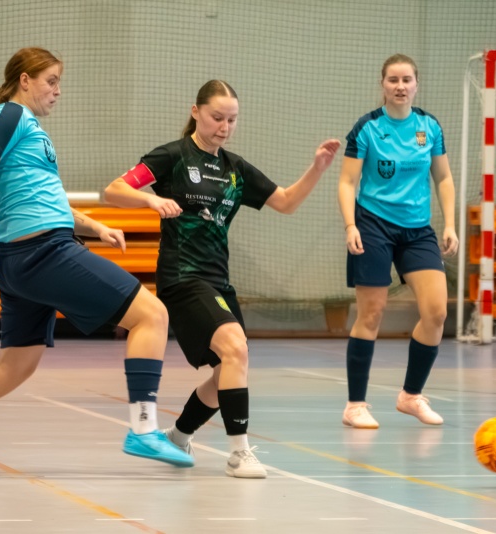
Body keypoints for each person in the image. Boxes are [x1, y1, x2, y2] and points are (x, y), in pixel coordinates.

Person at [0, 47, 193, 473]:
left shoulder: (27, 128)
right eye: (51, 80)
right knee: (152, 315)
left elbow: (42, 201)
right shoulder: (9, 115)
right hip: (42, 253)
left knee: (15, 364)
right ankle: (144, 430)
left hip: (24, 257)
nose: (57, 90)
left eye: (58, 82)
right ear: (25, 80)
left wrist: (96, 227)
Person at [104, 80, 340, 478]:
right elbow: (114, 190)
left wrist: (316, 168)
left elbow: (285, 202)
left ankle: (179, 436)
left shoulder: (235, 169)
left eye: (231, 119)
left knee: (229, 367)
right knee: (235, 349)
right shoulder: (173, 156)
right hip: (183, 276)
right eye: (217, 117)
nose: (224, 126)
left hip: (219, 280)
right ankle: (239, 453)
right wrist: (151, 198)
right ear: (195, 111)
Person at [337, 54, 458, 429]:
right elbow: (346, 182)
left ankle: (411, 396)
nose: (400, 86)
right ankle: (355, 405)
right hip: (372, 224)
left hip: (417, 229)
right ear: (382, 84)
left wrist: (449, 224)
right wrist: (349, 226)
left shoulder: (429, 126)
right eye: (393, 80)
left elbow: (443, 178)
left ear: (417, 84)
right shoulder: (367, 128)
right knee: (371, 313)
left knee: (436, 312)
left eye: (407, 80)